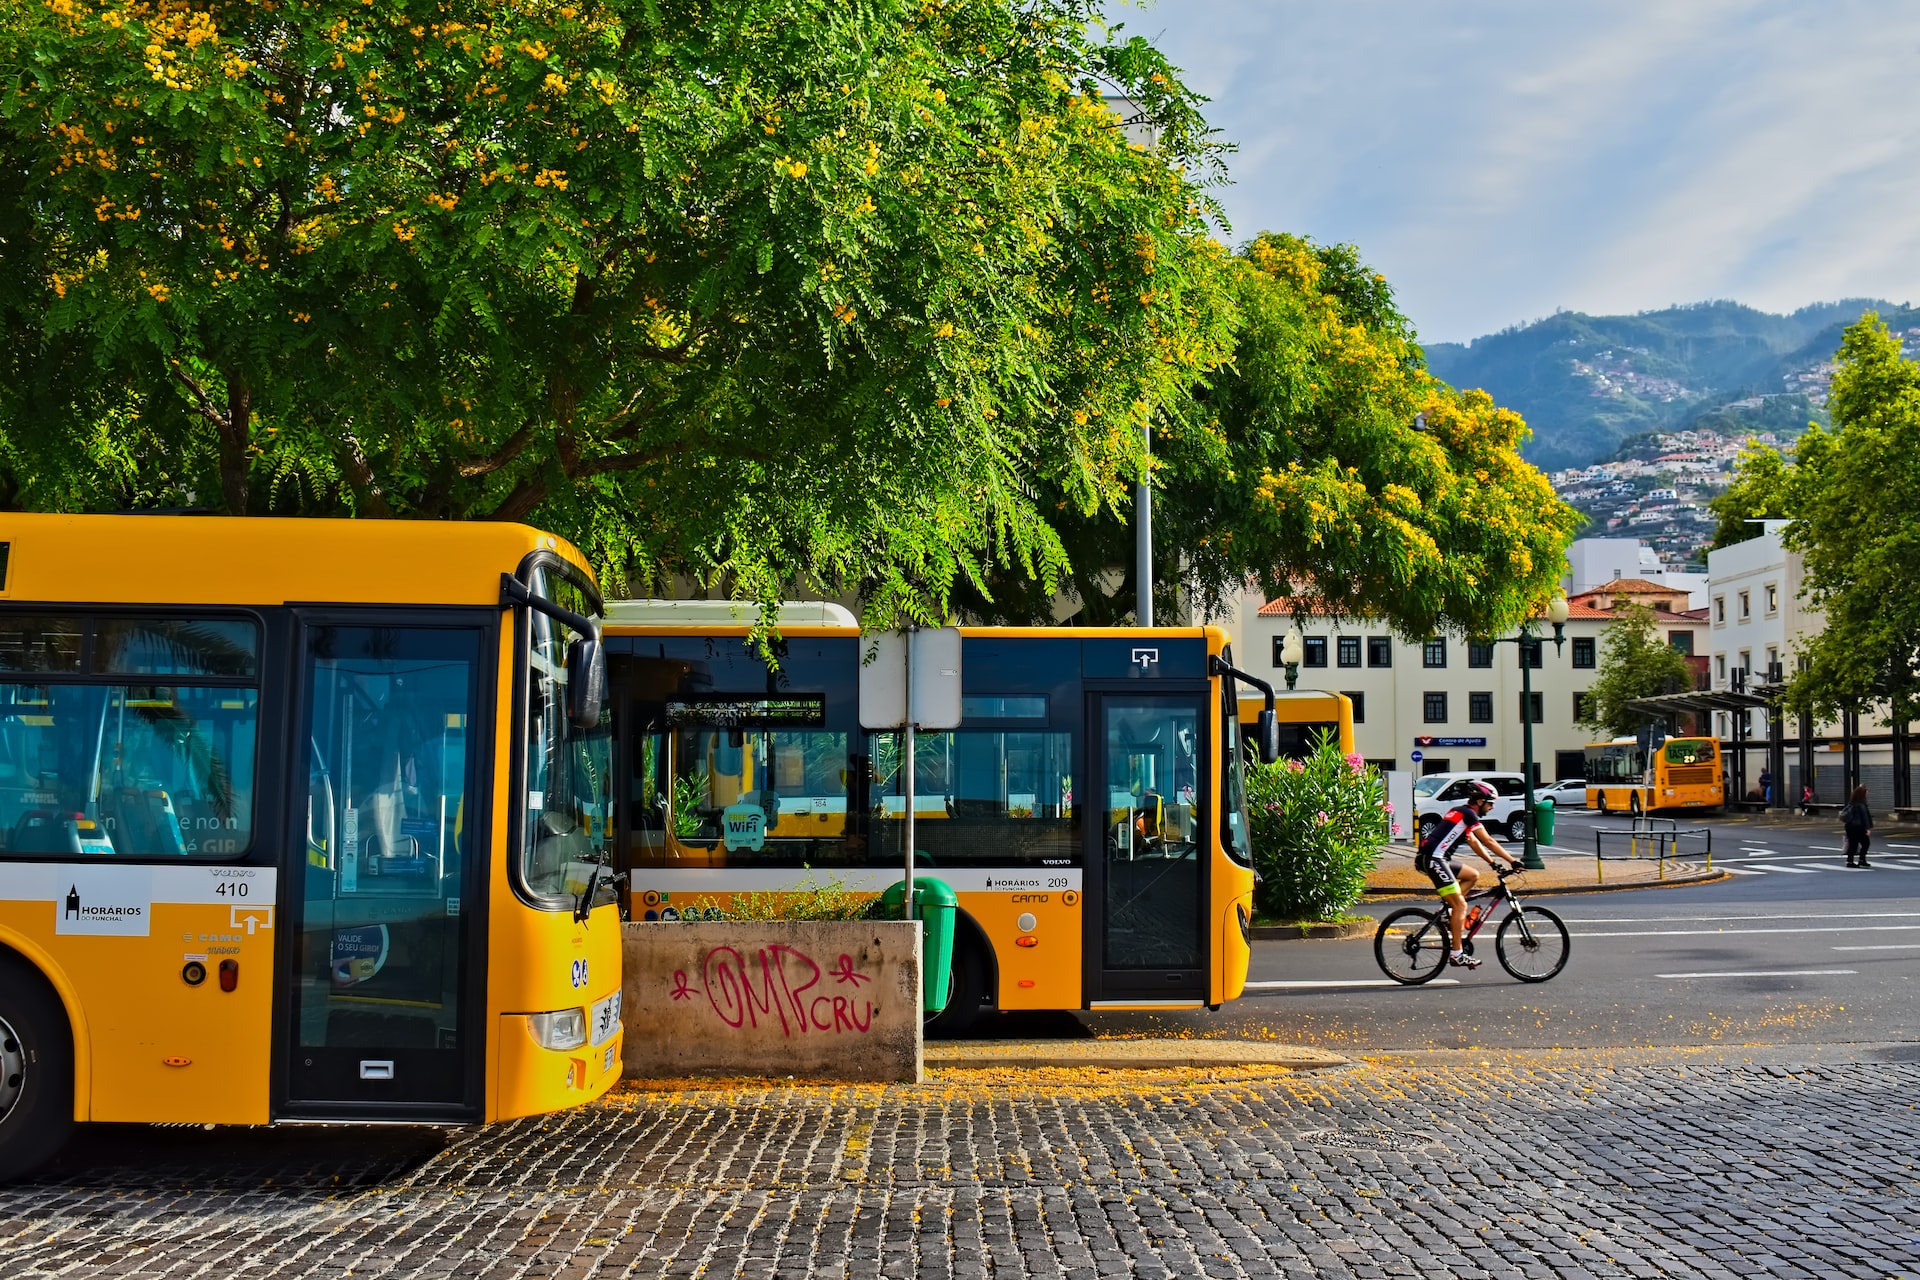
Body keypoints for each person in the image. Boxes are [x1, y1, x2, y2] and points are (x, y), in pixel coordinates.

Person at [1413, 779, 1519, 968]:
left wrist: (1493, 863)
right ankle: (1456, 954)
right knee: (1461, 904)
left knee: (1472, 875)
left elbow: (1473, 842)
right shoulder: (1469, 814)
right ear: (1480, 802)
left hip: (1435, 858)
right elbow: (1488, 841)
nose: (1492, 807)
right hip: (1434, 860)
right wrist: (1513, 861)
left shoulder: (1462, 811)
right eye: (1490, 803)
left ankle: (1448, 911)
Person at [1842, 784, 1873, 868]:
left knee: (1853, 844)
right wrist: (1868, 828)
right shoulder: (1861, 804)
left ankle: (1850, 861)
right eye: (1866, 793)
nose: (1867, 794)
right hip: (1859, 827)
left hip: (1850, 827)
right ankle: (1861, 859)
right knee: (1865, 843)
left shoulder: (1852, 803)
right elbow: (1865, 817)